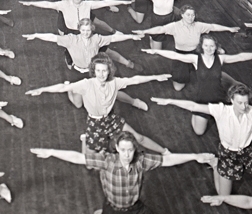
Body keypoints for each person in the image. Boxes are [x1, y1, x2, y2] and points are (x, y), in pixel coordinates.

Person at [30, 131, 226, 214]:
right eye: (123, 150)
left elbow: (167, 160)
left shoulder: (141, 160)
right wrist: (51, 152)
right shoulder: (106, 160)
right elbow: (78, 157)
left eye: (130, 150)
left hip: (136, 210)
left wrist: (194, 156)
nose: (126, 154)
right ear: (117, 148)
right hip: (113, 212)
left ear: (135, 149)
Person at [151, 84, 252, 195]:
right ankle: (216, 165)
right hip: (228, 155)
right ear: (232, 100)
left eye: (246, 102)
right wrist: (170, 101)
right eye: (240, 103)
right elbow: (194, 106)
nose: (244, 107)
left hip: (249, 151)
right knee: (223, 196)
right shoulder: (221, 110)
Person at [26, 53, 170, 154]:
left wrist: (156, 77)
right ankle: (85, 138)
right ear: (93, 71)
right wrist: (42, 90)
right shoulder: (86, 84)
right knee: (89, 164)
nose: (101, 74)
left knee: (139, 138)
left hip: (111, 119)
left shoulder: (115, 82)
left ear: (109, 71)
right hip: (94, 124)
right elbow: (61, 88)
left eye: (104, 71)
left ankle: (165, 152)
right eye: (98, 71)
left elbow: (135, 79)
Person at [142, 34, 252, 134]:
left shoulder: (220, 59)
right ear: (201, 46)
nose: (209, 48)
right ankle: (201, 113)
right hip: (203, 99)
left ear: (216, 47)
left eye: (212, 46)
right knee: (199, 132)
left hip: (220, 97)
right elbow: (175, 56)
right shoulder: (195, 59)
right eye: (206, 46)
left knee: (240, 107)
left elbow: (240, 57)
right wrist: (156, 51)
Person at [135, 5, 240, 90]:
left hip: (196, 52)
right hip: (181, 55)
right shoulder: (175, 26)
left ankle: (233, 81)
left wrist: (229, 29)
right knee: (178, 88)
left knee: (211, 72)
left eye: (193, 15)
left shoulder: (198, 25)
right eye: (188, 15)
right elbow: (160, 29)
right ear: (182, 15)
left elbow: (213, 27)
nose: (191, 17)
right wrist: (144, 31)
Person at [110, 0, 216, 47]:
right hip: (158, 19)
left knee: (187, 26)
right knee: (156, 50)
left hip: (170, 17)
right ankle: (152, 38)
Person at [23, 18, 144, 74]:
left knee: (109, 53)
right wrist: (36, 35)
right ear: (79, 29)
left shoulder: (97, 38)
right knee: (78, 103)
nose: (86, 33)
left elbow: (113, 38)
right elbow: (52, 37)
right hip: (77, 69)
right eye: (83, 30)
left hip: (94, 69)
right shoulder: (71, 39)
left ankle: (129, 64)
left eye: (88, 30)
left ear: (92, 29)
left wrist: (130, 36)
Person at [21, 0, 130, 35]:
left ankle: (113, 31)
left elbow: (104, 3)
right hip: (71, 29)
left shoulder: (87, 4)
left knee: (99, 23)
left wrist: (121, 2)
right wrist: (31, 3)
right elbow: (47, 4)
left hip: (84, 25)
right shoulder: (64, 5)